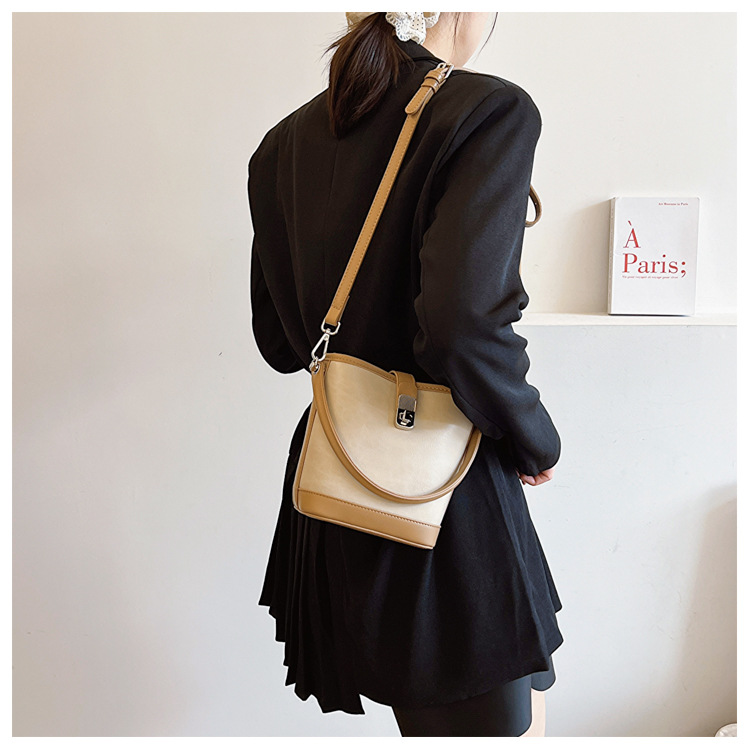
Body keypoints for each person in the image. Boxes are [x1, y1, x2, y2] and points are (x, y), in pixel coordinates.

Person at [248, 11, 563, 737]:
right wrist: (534, 437)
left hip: (335, 478)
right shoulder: (488, 110)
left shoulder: (280, 145)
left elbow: (280, 343)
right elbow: (462, 327)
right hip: (440, 494)